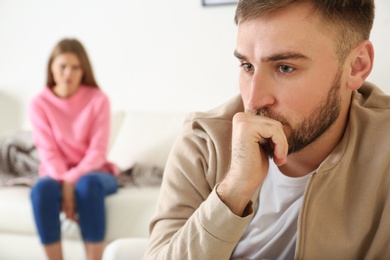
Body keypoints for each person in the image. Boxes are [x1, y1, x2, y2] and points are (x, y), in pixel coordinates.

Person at [144, 0, 390, 259]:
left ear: (356, 66)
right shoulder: (203, 142)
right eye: (247, 66)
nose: (253, 101)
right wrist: (232, 192)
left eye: (285, 68)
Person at [29, 38, 119, 260]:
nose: (68, 72)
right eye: (62, 66)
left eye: (75, 67)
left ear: (83, 70)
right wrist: (64, 180)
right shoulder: (39, 103)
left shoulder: (99, 100)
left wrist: (72, 181)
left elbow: (97, 153)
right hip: (55, 174)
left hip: (95, 173)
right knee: (42, 190)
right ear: (52, 67)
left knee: (87, 186)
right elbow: (48, 153)